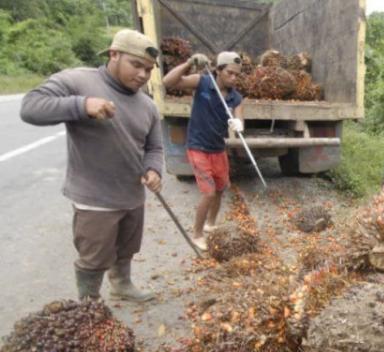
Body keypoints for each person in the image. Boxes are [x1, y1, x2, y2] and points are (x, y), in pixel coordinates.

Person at [20, 29, 163, 302]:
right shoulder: (79, 80)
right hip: (94, 197)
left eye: (148, 69)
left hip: (132, 195)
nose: (143, 75)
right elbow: (31, 107)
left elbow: (154, 147)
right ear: (114, 54)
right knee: (94, 255)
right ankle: (90, 303)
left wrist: (154, 169)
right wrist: (82, 105)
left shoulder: (147, 106)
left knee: (126, 248)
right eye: (136, 65)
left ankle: (121, 284)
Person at [162, 51, 244, 251]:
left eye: (237, 75)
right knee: (208, 193)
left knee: (221, 188)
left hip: (218, 148)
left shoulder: (236, 97)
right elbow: (168, 82)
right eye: (229, 73)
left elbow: (241, 117)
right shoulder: (203, 82)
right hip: (198, 146)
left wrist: (238, 123)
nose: (233, 78)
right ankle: (197, 234)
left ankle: (211, 224)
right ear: (218, 70)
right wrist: (189, 62)